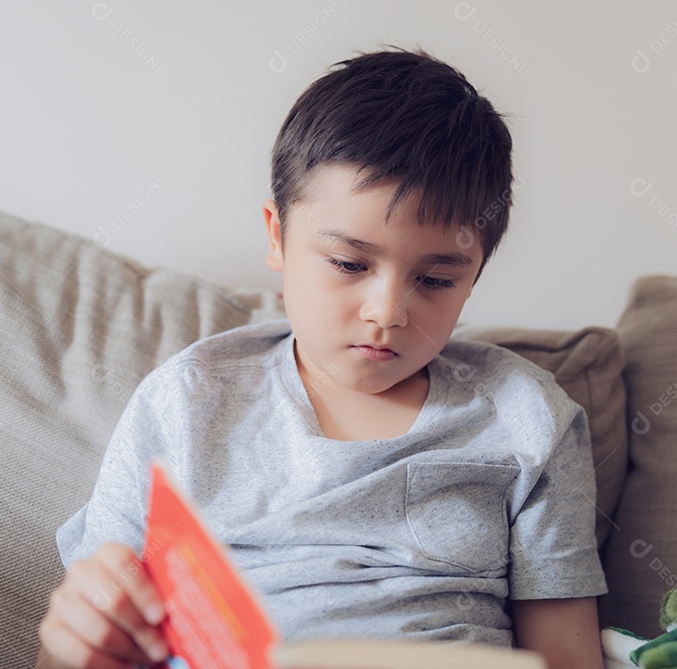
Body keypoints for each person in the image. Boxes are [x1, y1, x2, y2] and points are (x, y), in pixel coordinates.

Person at [36, 46, 606, 669]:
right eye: (349, 264)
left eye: (436, 280)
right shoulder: (187, 402)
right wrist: (70, 646)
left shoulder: (527, 418)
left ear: (474, 277)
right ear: (277, 235)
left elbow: (566, 657)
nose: (387, 311)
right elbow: (90, 639)